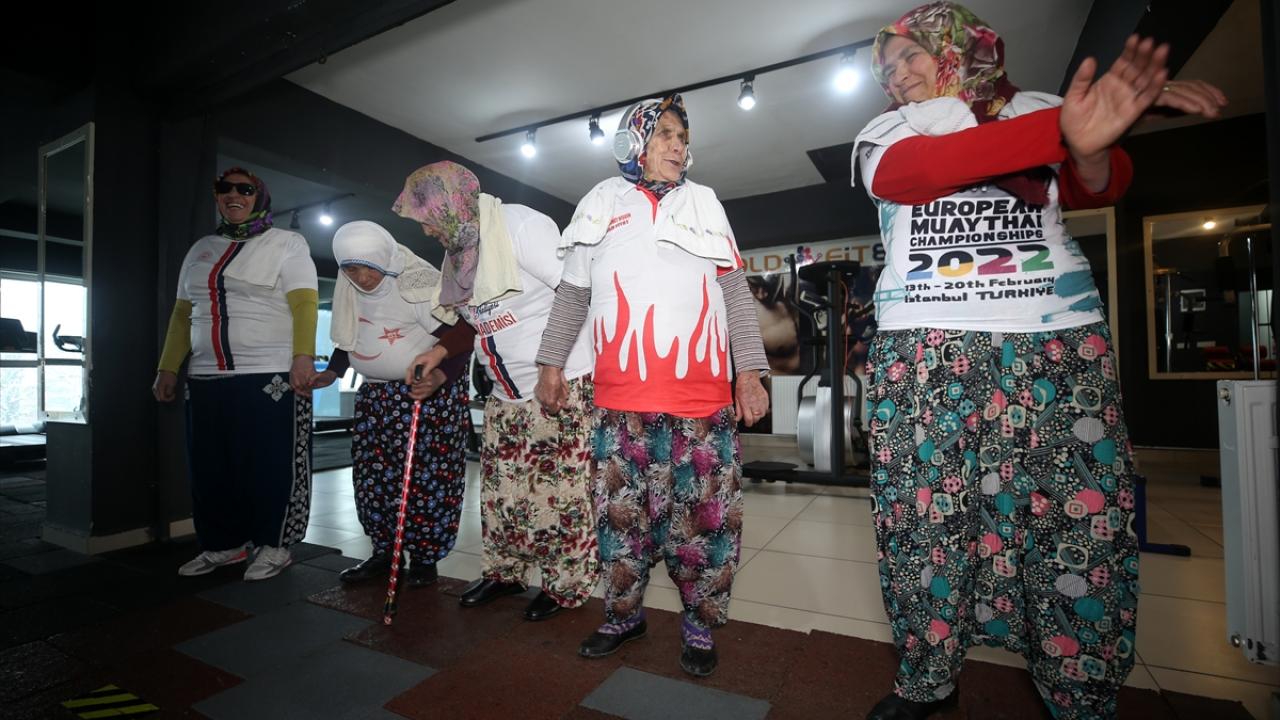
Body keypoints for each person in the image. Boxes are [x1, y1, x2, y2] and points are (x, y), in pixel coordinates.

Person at [852, 4, 1228, 719]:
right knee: (923, 522)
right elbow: (917, 173)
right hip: (926, 341)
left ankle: (1078, 692)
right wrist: (1072, 126)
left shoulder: (1038, 108)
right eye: (886, 67)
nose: (895, 77)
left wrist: (1088, 137)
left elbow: (1102, 182)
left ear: (954, 47)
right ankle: (928, 679)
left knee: (1071, 517)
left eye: (909, 56)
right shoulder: (888, 131)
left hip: (1052, 339)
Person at [534, 94, 770, 677]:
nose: (678, 146)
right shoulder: (601, 203)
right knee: (621, 520)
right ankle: (623, 615)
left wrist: (749, 371)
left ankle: (699, 622)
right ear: (634, 141)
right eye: (664, 133)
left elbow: (735, 291)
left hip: (701, 403)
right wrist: (550, 363)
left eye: (683, 136)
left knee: (704, 520)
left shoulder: (705, 202)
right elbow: (573, 293)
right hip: (622, 404)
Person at [395, 161, 600, 622]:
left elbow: (576, 292)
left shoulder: (519, 225)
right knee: (502, 492)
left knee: (561, 494)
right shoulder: (459, 253)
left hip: (560, 381)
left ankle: (564, 583)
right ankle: (506, 572)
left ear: (451, 204)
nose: (425, 229)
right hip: (504, 394)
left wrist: (552, 367)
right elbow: (476, 323)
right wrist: (440, 355)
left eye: (427, 217)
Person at [153, 166, 318, 581]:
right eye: (224, 188)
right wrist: (167, 367)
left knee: (269, 464)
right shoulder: (200, 249)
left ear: (258, 197)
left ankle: (274, 544)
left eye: (245, 189)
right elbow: (182, 314)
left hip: (268, 375)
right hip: (205, 377)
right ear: (217, 196)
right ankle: (223, 544)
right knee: (210, 467)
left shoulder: (287, 243)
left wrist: (303, 357)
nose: (234, 195)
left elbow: (304, 304)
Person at [310, 220, 474, 588]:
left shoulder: (416, 284)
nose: (362, 278)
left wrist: (439, 376)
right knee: (374, 480)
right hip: (376, 399)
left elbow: (462, 335)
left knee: (424, 481)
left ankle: (424, 561)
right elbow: (351, 334)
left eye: (369, 268)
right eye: (352, 269)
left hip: (422, 398)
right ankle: (384, 552)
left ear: (385, 259)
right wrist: (334, 371)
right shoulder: (349, 289)